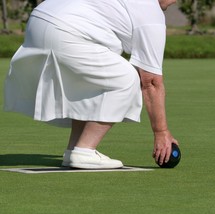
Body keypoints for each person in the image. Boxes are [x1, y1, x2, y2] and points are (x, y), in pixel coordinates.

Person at [4, 0, 179, 169]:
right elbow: (151, 81)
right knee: (127, 78)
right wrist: (161, 132)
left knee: (95, 79)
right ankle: (85, 151)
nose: (175, 2)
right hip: (66, 29)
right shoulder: (151, 13)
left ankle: (74, 149)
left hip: (39, 20)